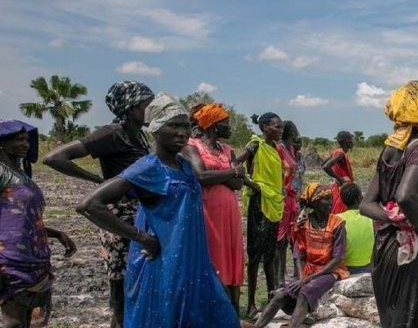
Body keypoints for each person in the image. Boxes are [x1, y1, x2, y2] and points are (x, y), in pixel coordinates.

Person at [75, 93, 249, 328]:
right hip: (161, 264)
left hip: (192, 259)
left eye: (186, 126)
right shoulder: (148, 167)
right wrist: (142, 237)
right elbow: (89, 205)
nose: (182, 133)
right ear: (155, 128)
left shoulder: (186, 166)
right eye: (173, 126)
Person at [42, 81, 153, 328]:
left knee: (136, 287)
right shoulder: (112, 133)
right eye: (148, 105)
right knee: (122, 288)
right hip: (117, 218)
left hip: (138, 214)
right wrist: (97, 180)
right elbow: (54, 158)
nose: (151, 109)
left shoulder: (140, 136)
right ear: (131, 107)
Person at [360, 80, 418, 328]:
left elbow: (367, 205)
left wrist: (394, 219)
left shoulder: (389, 151)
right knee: (411, 319)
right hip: (411, 250)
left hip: (384, 246)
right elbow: (405, 195)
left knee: (391, 319)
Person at [1, 120, 77, 328]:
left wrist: (57, 234)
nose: (25, 144)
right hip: (11, 259)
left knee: (34, 320)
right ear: (2, 144)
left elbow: (24, 219)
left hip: (35, 256)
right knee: (14, 322)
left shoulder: (21, 174)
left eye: (26, 139)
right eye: (19, 140)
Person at [255, 183, 348, 328]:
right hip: (308, 269)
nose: (331, 203)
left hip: (330, 271)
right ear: (315, 202)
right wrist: (300, 276)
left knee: (306, 291)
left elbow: (337, 259)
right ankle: (257, 326)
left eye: (331, 199)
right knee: (280, 295)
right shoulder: (304, 223)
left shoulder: (337, 224)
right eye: (327, 199)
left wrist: (306, 280)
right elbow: (298, 254)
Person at [182, 103, 246, 315]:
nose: (230, 127)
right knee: (213, 255)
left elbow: (239, 183)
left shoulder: (228, 149)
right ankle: (212, 309)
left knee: (231, 257)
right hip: (207, 211)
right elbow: (201, 177)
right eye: (226, 123)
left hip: (229, 213)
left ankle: (232, 311)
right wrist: (232, 172)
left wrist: (225, 175)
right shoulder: (192, 146)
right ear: (214, 126)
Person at [237, 112, 284, 318]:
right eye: (277, 127)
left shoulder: (275, 148)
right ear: (265, 127)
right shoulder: (255, 145)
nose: (280, 131)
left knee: (270, 253)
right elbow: (236, 164)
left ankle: (273, 298)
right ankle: (251, 304)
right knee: (255, 255)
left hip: (273, 202)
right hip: (259, 203)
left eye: (281, 127)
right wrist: (252, 185)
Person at [274, 121, 300, 288]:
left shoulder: (290, 150)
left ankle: (291, 274)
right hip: (283, 197)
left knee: (293, 236)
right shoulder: (278, 150)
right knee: (280, 239)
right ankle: (279, 277)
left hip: (291, 197)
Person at [336, 183, 374, 274]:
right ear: (359, 198)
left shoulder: (337, 219)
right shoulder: (370, 216)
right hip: (369, 266)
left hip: (345, 268)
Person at [323, 131, 354, 215]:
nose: (352, 142)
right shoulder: (340, 154)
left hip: (338, 186)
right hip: (343, 187)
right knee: (342, 213)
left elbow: (323, 163)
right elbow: (326, 166)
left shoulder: (335, 152)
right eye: (351, 139)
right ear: (346, 141)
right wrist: (339, 178)